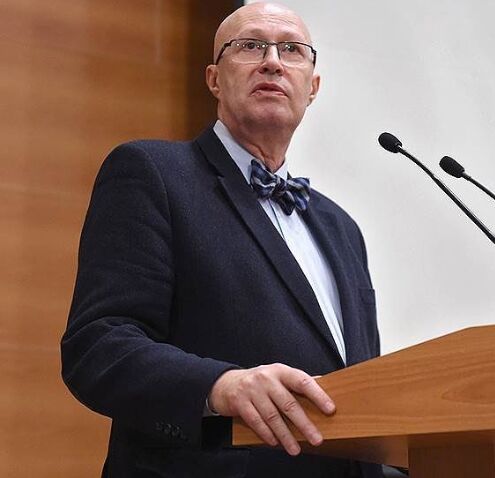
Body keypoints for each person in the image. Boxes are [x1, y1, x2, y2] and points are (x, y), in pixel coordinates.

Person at [61, 3, 382, 477]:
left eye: (292, 50)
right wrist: (219, 385)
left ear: (312, 88)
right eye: (250, 45)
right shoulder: (153, 175)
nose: (272, 61)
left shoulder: (342, 228)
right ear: (214, 79)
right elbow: (98, 346)